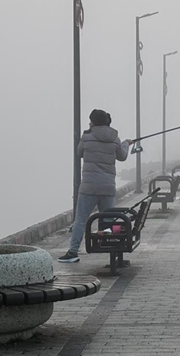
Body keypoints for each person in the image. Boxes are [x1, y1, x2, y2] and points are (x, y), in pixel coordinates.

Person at [59, 109, 131, 263]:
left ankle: (73, 252)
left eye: (90, 120)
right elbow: (122, 156)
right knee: (109, 220)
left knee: (80, 220)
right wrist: (126, 144)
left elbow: (79, 153)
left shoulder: (87, 137)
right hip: (108, 187)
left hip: (89, 187)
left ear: (94, 122)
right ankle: (114, 252)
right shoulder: (115, 138)